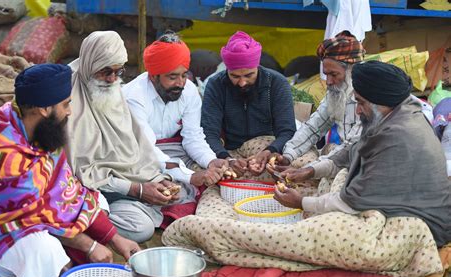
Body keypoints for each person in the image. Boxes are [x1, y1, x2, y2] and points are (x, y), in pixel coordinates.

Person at [0, 63, 139, 277]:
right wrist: (90, 245)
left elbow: (65, 189)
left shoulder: (37, 128)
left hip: (30, 217)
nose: (70, 111)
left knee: (98, 201)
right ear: (43, 109)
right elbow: (35, 216)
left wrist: (114, 237)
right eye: (66, 104)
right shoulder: (2, 154)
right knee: (44, 251)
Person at [274, 61, 451, 247]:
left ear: (379, 101)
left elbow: (353, 201)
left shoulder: (398, 134)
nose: (357, 110)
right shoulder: (395, 113)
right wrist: (309, 171)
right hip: (398, 210)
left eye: (360, 102)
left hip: (422, 228)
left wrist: (302, 202)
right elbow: (351, 153)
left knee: (327, 234)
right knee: (339, 174)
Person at [66, 31, 183, 243]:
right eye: (105, 71)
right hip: (85, 190)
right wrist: (136, 189)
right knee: (142, 229)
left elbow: (135, 145)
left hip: (120, 184)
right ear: (90, 65)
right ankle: (87, 221)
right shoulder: (67, 97)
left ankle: (97, 219)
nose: (112, 79)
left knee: (180, 192)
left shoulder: (111, 89)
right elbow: (77, 173)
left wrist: (157, 180)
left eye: (118, 72)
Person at [123, 31, 225, 187]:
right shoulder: (134, 97)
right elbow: (145, 149)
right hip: (136, 155)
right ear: (153, 76)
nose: (180, 83)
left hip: (174, 153)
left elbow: (193, 136)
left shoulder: (189, 91)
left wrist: (211, 160)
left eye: (184, 75)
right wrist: (190, 177)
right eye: (172, 77)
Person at [202, 31, 296, 178]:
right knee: (204, 172)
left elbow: (287, 131)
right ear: (227, 70)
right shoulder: (216, 84)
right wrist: (226, 158)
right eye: (234, 76)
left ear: (257, 67)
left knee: (298, 167)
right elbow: (209, 132)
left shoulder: (277, 83)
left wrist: (269, 151)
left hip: (267, 148)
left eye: (248, 75)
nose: (242, 82)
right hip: (231, 153)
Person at [280, 31, 364, 169]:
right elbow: (313, 127)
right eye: (326, 75)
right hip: (343, 156)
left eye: (334, 74)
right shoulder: (338, 93)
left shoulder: (370, 98)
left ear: (351, 71)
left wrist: (312, 170)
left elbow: (351, 148)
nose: (329, 82)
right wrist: (287, 156)